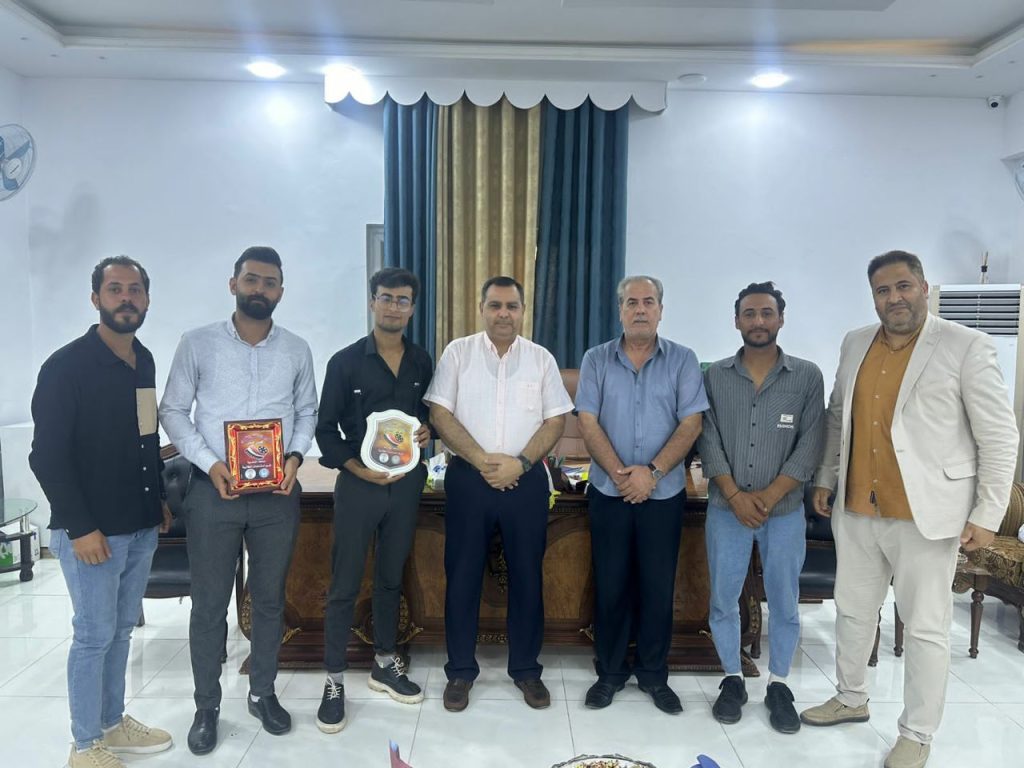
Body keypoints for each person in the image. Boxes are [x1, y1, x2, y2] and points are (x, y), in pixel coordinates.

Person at [799, 251, 1019, 768]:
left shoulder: (966, 345)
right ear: (873, 297)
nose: (894, 298)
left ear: (923, 287)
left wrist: (987, 514)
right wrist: (826, 477)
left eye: (903, 286)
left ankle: (917, 732)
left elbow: (999, 435)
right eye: (882, 290)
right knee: (853, 613)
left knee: (924, 627)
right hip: (858, 509)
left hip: (928, 516)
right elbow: (838, 416)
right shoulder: (856, 342)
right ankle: (851, 697)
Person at [159, 246, 318, 754]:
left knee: (269, 599)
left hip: (276, 495)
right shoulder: (197, 343)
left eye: (270, 283)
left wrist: (294, 456)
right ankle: (207, 706)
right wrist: (210, 463)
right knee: (209, 604)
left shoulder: (296, 349)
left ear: (281, 292)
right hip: (213, 493)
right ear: (233, 284)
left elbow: (307, 411)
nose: (259, 289)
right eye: (251, 280)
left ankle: (262, 693)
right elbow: (173, 410)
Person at [30, 256, 173, 768]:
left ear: (147, 299)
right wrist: (81, 526)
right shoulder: (65, 367)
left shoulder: (144, 361)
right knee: (93, 636)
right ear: (96, 298)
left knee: (120, 630)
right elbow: (46, 456)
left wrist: (157, 500)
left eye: (135, 290)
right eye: (115, 289)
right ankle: (85, 743)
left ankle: (113, 723)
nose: (126, 298)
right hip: (93, 533)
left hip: (139, 525)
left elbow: (145, 436)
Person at [424, 276, 573, 712]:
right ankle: (460, 671)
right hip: (469, 479)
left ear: (522, 311)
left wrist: (520, 464)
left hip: (525, 480)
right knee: (462, 575)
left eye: (511, 306)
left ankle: (526, 669)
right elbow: (440, 414)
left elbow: (555, 421)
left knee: (527, 575)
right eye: (495, 305)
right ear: (482, 308)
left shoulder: (541, 359)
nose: (503, 313)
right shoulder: (458, 353)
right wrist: (482, 461)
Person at [575, 275, 708, 714]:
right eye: (631, 302)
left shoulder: (683, 360)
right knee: (610, 585)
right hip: (608, 492)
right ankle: (610, 673)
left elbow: (691, 423)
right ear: (620, 310)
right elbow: (587, 421)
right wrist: (621, 475)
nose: (640, 309)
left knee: (657, 587)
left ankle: (653, 674)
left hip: (662, 494)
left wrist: (650, 473)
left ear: (660, 310)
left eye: (648, 302)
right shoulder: (596, 359)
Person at [698, 281, 824, 733]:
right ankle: (732, 679)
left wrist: (767, 498)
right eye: (749, 313)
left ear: (780, 319)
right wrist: (735, 496)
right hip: (726, 508)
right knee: (723, 598)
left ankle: (779, 685)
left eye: (767, 313)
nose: (758, 321)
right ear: (736, 321)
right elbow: (707, 438)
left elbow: (810, 444)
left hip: (784, 511)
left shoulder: (806, 376)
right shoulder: (714, 376)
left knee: (785, 601)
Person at [314, 267, 433, 733]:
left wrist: (427, 431)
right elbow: (326, 431)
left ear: (412, 308)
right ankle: (334, 680)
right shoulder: (344, 363)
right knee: (344, 583)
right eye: (386, 298)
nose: (394, 307)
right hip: (360, 485)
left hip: (405, 485)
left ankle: (385, 663)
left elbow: (427, 418)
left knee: (390, 578)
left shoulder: (421, 361)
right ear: (372, 302)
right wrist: (357, 468)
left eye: (403, 300)